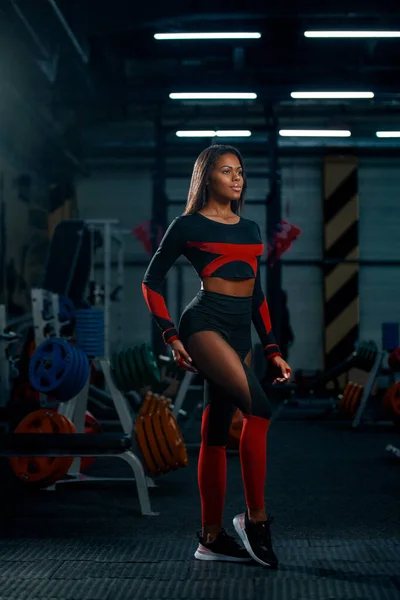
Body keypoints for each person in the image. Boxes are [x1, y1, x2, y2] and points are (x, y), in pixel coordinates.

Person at [142, 145, 292, 569]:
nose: (237, 177)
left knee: (214, 431)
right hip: (203, 324)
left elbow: (256, 293)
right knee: (259, 409)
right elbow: (151, 281)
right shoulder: (187, 225)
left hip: (240, 330)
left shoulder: (250, 228)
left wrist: (273, 348)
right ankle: (255, 520)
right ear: (207, 177)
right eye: (227, 171)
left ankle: (209, 538)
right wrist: (171, 335)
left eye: (240, 171)